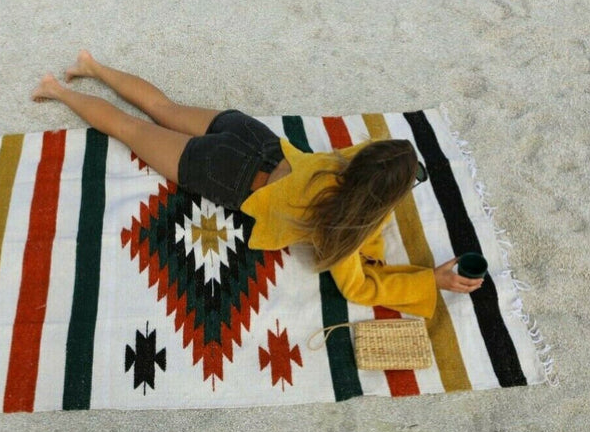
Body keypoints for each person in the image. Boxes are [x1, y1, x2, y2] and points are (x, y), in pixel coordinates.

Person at [32, 51, 483, 318]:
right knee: (129, 130)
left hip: (252, 136)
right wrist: (430, 282)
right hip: (223, 172)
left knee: (160, 106)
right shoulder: (344, 226)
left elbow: (369, 202)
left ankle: (90, 64)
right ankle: (57, 89)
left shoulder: (340, 161)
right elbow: (359, 288)